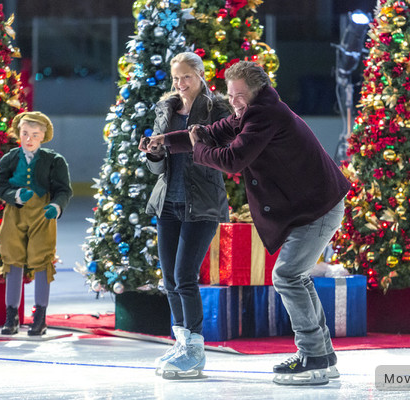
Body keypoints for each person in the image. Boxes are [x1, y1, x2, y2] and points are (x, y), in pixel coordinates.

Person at [145, 61, 351, 386]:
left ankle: (314, 358)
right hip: (311, 204)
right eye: (230, 95)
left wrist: (198, 147)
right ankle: (320, 356)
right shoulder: (250, 113)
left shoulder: (265, 115)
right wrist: (166, 142)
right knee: (293, 276)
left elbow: (231, 160)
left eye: (239, 95)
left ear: (256, 92)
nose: (234, 101)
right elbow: (212, 132)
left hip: (319, 207)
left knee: (286, 275)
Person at [138, 52, 230, 379]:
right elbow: (158, 167)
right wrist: (154, 153)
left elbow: (220, 154)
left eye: (186, 77)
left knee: (184, 275)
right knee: (169, 279)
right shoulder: (167, 108)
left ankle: (195, 348)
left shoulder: (217, 109)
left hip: (201, 204)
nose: (180, 84)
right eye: (176, 78)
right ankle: (181, 341)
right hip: (168, 204)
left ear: (200, 75)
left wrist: (186, 141)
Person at [0, 111, 72, 336]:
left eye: (35, 135)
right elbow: (1, 185)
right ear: (18, 133)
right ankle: (12, 315)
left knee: (42, 260)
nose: (29, 139)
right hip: (15, 213)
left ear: (43, 136)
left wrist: (56, 206)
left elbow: (63, 190)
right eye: (25, 133)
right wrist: (15, 195)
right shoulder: (10, 158)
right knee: (13, 258)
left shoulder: (54, 160)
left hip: (42, 214)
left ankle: (40, 316)